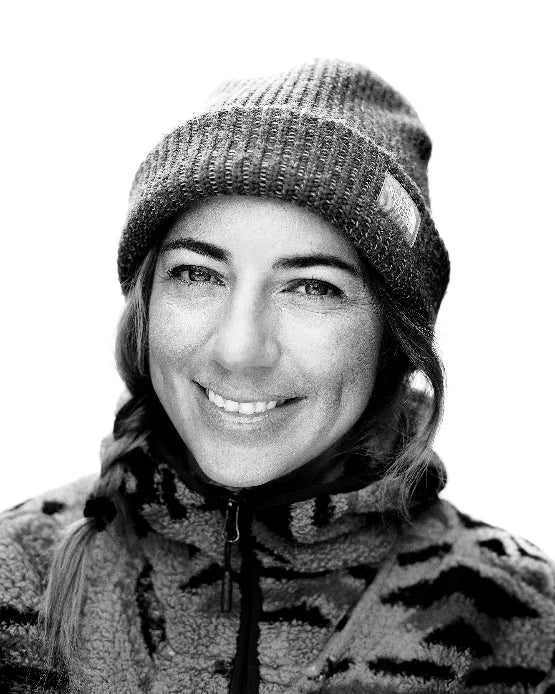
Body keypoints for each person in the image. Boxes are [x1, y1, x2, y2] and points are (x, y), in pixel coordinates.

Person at [1, 58, 554, 694]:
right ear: (146, 303)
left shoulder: (521, 621)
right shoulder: (17, 571)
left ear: (392, 337)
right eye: (198, 274)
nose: (239, 351)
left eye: (313, 287)